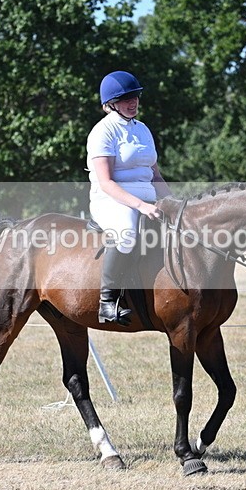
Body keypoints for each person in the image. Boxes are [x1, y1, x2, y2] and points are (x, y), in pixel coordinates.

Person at [86, 71, 171, 326]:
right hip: (111, 200)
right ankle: (107, 301)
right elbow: (107, 182)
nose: (132, 102)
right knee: (127, 233)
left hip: (146, 199)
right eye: (125, 99)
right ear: (111, 104)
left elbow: (155, 174)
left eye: (135, 96)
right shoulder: (103, 132)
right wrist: (141, 206)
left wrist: (174, 203)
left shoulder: (143, 130)